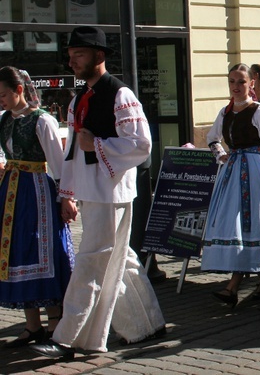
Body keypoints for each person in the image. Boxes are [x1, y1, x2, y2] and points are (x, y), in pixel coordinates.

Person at [30, 26, 165, 360]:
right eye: (71, 55)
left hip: (112, 191)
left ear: (99, 56)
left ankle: (70, 338)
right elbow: (74, 150)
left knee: (92, 263)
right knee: (121, 259)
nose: (72, 61)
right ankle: (146, 323)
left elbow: (141, 146)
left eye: (80, 54)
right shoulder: (79, 99)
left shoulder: (121, 96)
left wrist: (99, 144)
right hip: (94, 190)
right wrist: (68, 193)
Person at [0, 67, 74, 348]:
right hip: (11, 191)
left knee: (44, 248)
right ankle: (33, 326)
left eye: (4, 94)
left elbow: (58, 164)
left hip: (38, 192)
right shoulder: (5, 120)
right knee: (16, 252)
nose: (1, 100)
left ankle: (55, 323)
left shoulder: (42, 121)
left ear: (19, 90)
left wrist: (66, 198)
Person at [202, 63, 260, 307]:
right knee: (237, 224)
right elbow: (212, 138)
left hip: (254, 170)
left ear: (251, 83)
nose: (236, 86)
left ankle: (236, 286)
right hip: (232, 171)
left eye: (241, 82)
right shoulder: (225, 111)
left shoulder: (259, 110)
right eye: (232, 81)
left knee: (251, 221)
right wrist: (220, 154)